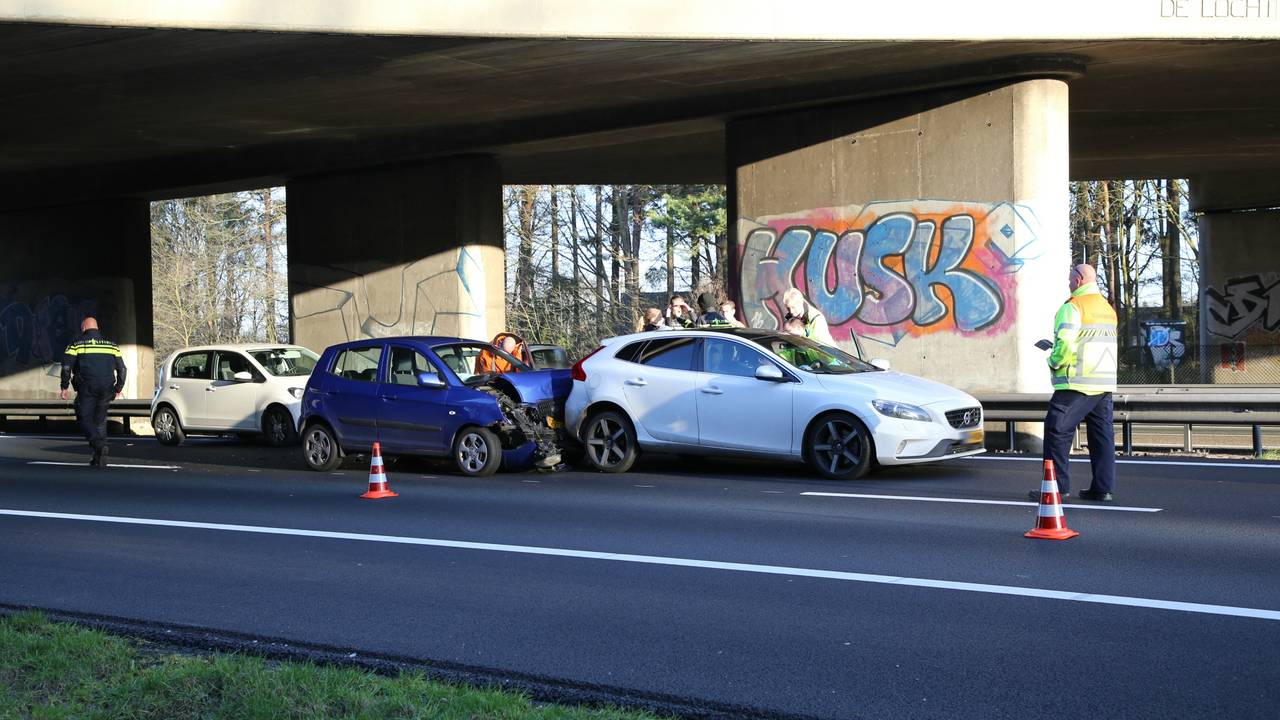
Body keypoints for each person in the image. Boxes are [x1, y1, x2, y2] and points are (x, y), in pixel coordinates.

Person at [1030, 263, 1118, 503]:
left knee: (1056, 431)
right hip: (1104, 383)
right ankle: (1103, 488)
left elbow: (1065, 345)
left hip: (1076, 383)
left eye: (1070, 280)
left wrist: (1054, 361)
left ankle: (1056, 488)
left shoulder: (1073, 307)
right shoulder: (1107, 309)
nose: (1069, 284)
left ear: (1079, 280)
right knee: (1102, 437)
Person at [59, 316, 127, 466]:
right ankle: (99, 457)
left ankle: (99, 445)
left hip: (87, 386)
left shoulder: (77, 343)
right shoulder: (111, 345)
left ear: (83, 328)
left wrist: (64, 386)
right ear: (97, 328)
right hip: (107, 387)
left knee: (83, 416)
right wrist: (118, 388)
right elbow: (122, 369)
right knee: (100, 420)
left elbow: (66, 367)